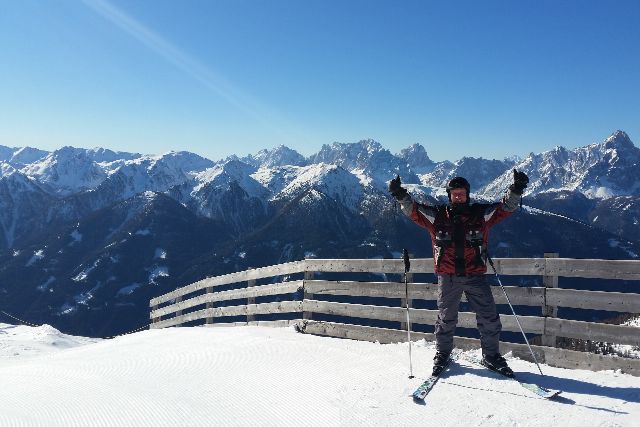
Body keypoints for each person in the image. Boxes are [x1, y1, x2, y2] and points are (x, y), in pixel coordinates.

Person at [388, 169, 529, 377]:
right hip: (448, 277)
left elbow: (505, 208)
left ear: (468, 194)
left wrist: (516, 189)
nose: (458, 196)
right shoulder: (437, 216)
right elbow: (413, 211)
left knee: (489, 317)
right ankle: (443, 353)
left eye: (461, 193)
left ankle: (491, 356)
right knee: (446, 318)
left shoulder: (481, 214)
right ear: (449, 195)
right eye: (454, 193)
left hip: (475, 276)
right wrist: (400, 194)